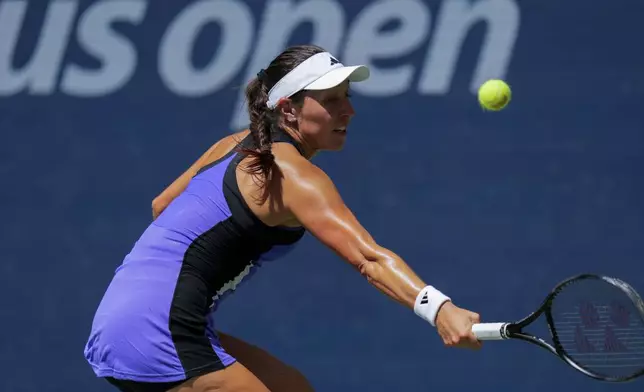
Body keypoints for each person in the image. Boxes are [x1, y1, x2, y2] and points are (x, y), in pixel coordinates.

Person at [84, 44, 482, 392]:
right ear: (288, 109)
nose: (349, 110)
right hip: (156, 329)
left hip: (130, 316)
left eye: (347, 96)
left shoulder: (232, 145)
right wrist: (440, 309)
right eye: (331, 101)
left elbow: (161, 206)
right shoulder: (295, 176)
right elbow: (369, 259)